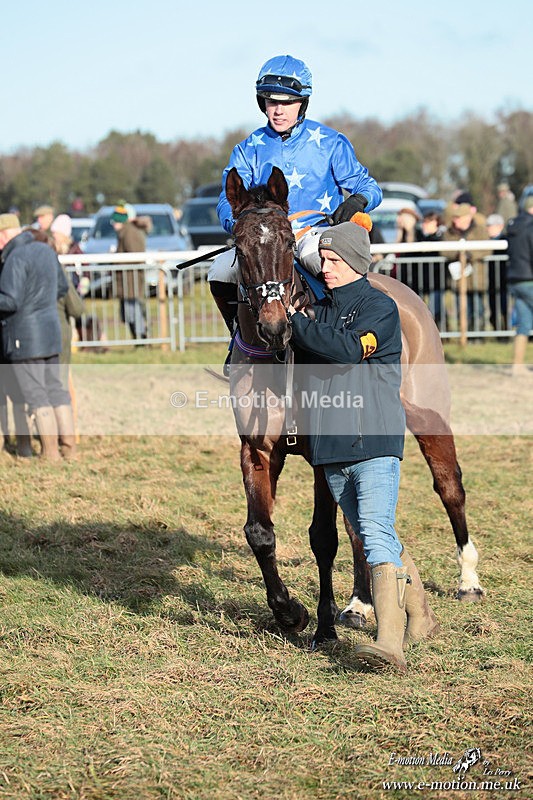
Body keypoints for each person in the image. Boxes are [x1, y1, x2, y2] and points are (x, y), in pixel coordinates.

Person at [288, 221, 438, 672]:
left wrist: (297, 325)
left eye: (333, 261)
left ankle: (389, 644)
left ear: (354, 263)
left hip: (372, 438)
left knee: (372, 533)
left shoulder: (380, 309)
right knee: (379, 533)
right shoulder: (320, 311)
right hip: (332, 446)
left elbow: (349, 350)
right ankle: (421, 612)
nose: (325, 269)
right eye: (323, 261)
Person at [209, 54, 382, 338]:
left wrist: (357, 201)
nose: (278, 110)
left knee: (324, 266)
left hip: (314, 235)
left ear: (302, 103)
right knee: (219, 271)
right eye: (271, 101)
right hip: (265, 240)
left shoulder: (330, 142)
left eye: (287, 102)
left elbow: (369, 186)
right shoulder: (247, 148)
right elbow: (226, 201)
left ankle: (340, 340)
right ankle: (240, 337)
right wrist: (240, 227)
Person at [0, 213, 76, 460]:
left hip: (25, 337)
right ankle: (69, 448)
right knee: (56, 389)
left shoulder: (15, 258)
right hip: (51, 331)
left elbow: (10, 300)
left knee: (35, 394)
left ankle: (50, 453)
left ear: (4, 236)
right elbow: (63, 288)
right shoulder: (46, 252)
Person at [442, 203, 489, 332]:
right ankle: (465, 332)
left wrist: (471, 254)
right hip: (458, 280)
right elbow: (443, 251)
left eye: (459, 217)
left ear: (467, 217)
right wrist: (458, 253)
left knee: (478, 309)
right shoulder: (449, 232)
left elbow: (488, 249)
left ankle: (478, 334)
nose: (455, 220)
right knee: (462, 310)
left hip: (476, 279)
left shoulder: (480, 230)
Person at [110, 204, 151, 341]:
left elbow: (135, 256)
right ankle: (139, 338)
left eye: (115, 221)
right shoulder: (125, 232)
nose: (113, 223)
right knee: (130, 312)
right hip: (127, 279)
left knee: (134, 311)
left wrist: (116, 260)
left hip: (131, 279)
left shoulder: (129, 233)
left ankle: (142, 338)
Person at [505, 197, 533, 377]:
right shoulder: (531, 226)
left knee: (524, 323)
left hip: (514, 279)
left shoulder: (513, 226)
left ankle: (517, 366)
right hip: (529, 279)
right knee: (524, 322)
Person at [486, 213, 508, 330]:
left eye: (491, 226)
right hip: (491, 278)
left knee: (504, 305)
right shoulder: (486, 241)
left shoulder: (505, 240)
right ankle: (497, 329)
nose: (488, 228)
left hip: (503, 278)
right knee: (493, 306)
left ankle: (505, 329)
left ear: (500, 226)